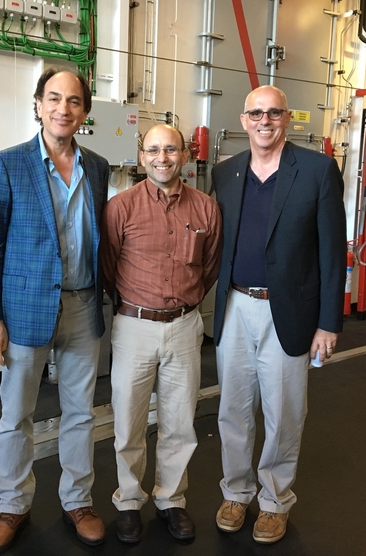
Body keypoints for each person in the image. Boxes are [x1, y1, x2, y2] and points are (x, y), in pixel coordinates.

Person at [0, 68, 110, 554]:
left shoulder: (97, 167)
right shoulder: (8, 165)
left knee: (80, 414)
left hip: (82, 306)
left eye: (74, 101)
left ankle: (78, 501)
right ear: (37, 104)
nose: (63, 109)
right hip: (25, 311)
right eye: (54, 98)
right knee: (16, 415)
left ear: (85, 112)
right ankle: (12, 504)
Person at [211, 85, 346, 544]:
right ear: (244, 119)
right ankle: (236, 492)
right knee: (231, 410)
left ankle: (273, 501)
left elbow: (333, 254)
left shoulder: (317, 170)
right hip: (234, 305)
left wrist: (328, 323)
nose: (264, 121)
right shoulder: (225, 172)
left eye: (273, 113)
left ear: (288, 118)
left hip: (289, 311)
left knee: (284, 412)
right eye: (256, 113)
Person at [101, 124, 222, 544]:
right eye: (153, 150)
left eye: (170, 150)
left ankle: (171, 499)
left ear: (185, 156)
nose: (162, 158)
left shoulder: (206, 208)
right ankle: (129, 501)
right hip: (133, 326)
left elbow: (209, 268)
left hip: (185, 327)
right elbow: (108, 267)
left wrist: (183, 306)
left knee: (179, 423)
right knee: (129, 423)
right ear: (141, 156)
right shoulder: (121, 207)